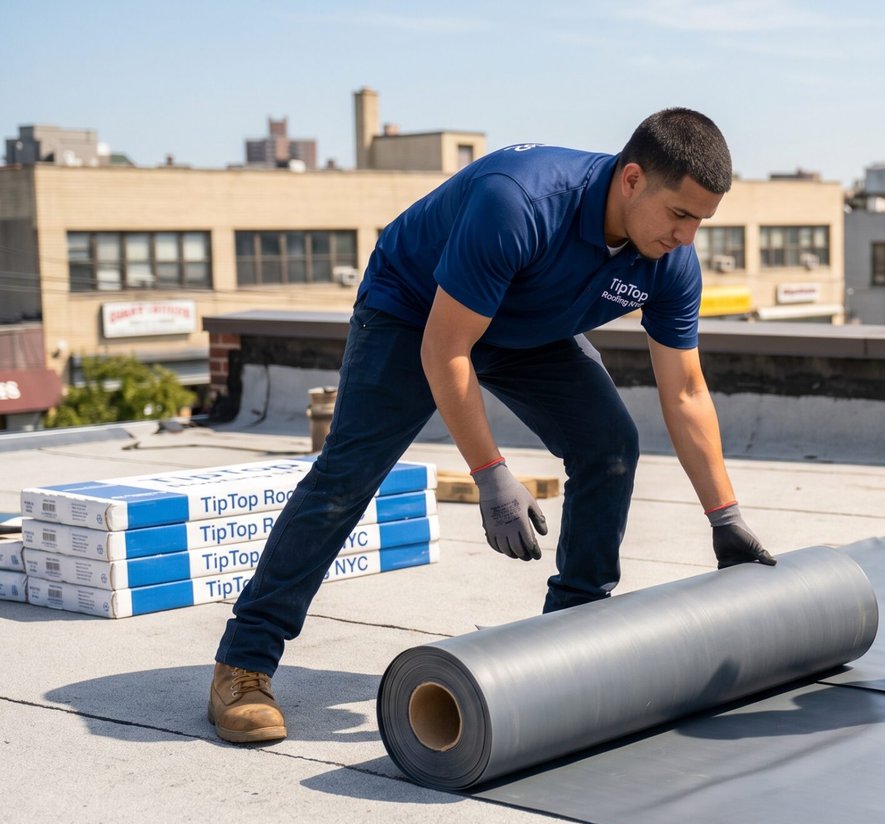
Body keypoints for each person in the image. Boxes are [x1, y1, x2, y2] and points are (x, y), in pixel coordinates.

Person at [209, 108, 775, 744]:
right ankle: (245, 662)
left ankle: (571, 643)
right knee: (349, 472)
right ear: (633, 180)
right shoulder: (520, 201)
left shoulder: (670, 260)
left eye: (702, 220)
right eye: (680, 215)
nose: (688, 235)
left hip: (527, 327)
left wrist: (723, 516)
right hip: (417, 311)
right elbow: (446, 351)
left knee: (610, 446)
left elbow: (688, 392)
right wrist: (491, 473)